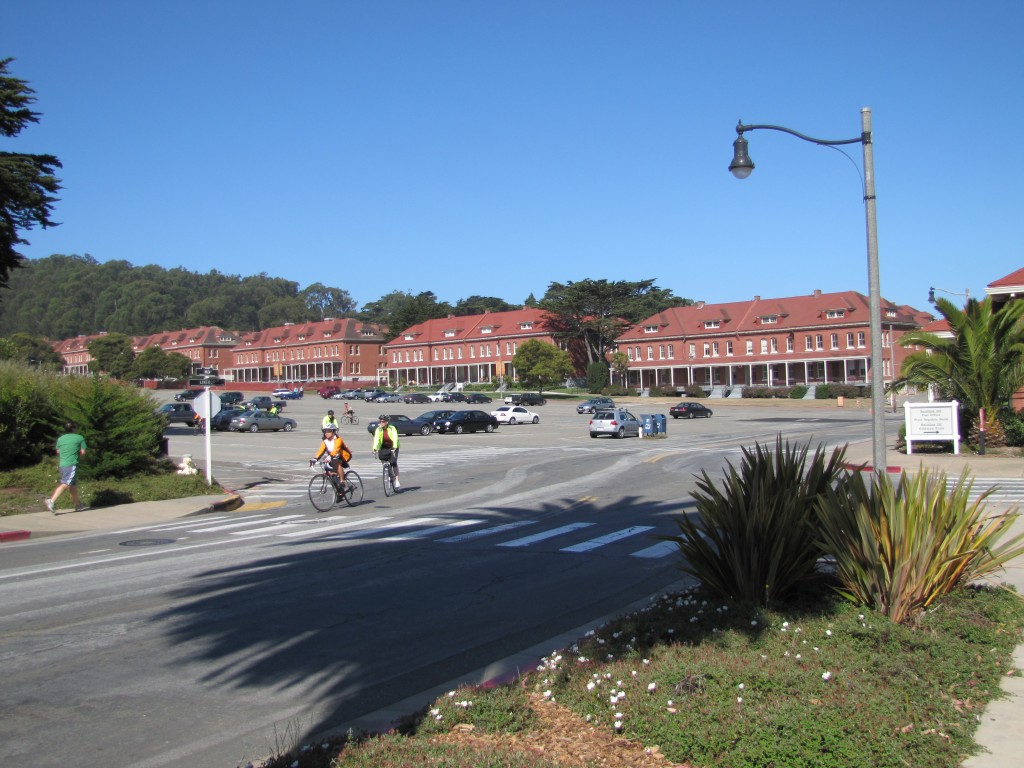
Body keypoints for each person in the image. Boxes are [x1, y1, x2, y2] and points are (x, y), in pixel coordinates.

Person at [46, 422, 87, 514]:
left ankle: (77, 504)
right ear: (74, 429)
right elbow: (83, 452)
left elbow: (58, 451)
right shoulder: (79, 438)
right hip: (71, 464)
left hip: (62, 464)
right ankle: (51, 501)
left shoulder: (60, 439)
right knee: (66, 484)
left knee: (72, 486)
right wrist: (76, 454)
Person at [310, 425, 352, 490]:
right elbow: (320, 451)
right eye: (325, 431)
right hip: (333, 456)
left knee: (337, 463)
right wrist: (315, 459)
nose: (326, 433)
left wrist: (330, 456)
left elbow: (336, 449)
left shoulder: (338, 439)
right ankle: (338, 492)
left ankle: (342, 481)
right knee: (330, 470)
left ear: (333, 432)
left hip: (344, 456)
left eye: (329, 431)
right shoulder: (325, 441)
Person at [371, 414, 401, 490]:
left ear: (387, 422)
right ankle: (386, 468)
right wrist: (374, 448)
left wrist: (394, 447)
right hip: (384, 446)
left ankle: (397, 480)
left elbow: (395, 437)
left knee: (393, 462)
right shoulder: (378, 429)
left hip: (393, 446)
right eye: (380, 421)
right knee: (381, 456)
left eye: (383, 421)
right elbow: (376, 439)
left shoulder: (392, 428)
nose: (381, 423)